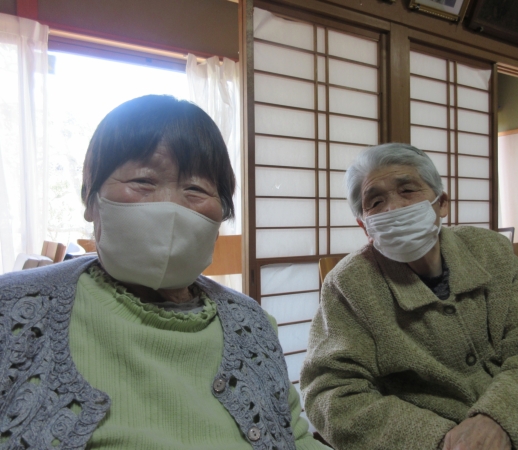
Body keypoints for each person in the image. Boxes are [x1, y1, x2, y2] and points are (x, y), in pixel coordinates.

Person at [0, 95, 327, 450]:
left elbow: (295, 437)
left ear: (222, 212)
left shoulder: (253, 325)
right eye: (143, 181)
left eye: (195, 188)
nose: (170, 206)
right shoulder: (14, 313)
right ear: (91, 199)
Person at [300, 143, 518, 450]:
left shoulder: (490, 251)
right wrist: (441, 441)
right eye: (375, 201)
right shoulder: (349, 284)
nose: (394, 208)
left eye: (407, 190)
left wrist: (500, 420)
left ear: (441, 203)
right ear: (365, 226)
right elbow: (331, 394)